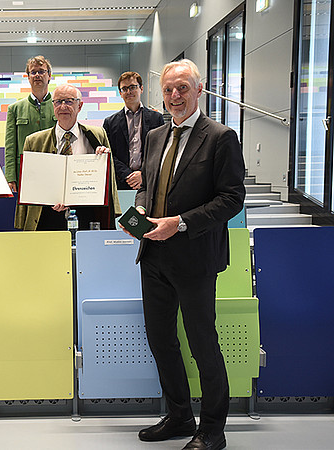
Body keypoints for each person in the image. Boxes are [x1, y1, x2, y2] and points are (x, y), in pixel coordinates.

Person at [129, 60, 245, 450]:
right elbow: (147, 186)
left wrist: (179, 222)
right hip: (154, 256)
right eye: (168, 89)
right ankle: (179, 415)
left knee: (201, 343)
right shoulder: (156, 135)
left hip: (195, 256)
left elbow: (231, 199)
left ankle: (213, 428)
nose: (174, 96)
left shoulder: (221, 137)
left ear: (200, 90)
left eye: (182, 88)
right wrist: (142, 210)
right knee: (161, 340)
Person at [15, 84, 121, 231]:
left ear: (80, 105)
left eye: (69, 101)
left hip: (86, 212)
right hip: (47, 214)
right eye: (58, 102)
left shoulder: (97, 135)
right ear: (53, 106)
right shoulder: (34, 141)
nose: (63, 106)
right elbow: (30, 184)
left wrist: (103, 161)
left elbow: (109, 180)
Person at [103, 71, 164, 190]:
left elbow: (160, 150)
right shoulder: (110, 122)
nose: (129, 92)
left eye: (132, 87)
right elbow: (109, 154)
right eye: (124, 89)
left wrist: (142, 173)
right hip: (121, 182)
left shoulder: (156, 118)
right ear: (120, 93)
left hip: (149, 180)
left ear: (141, 88)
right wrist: (127, 175)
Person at [4, 55, 56, 192]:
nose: (37, 75)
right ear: (28, 77)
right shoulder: (15, 109)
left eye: (41, 71)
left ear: (49, 76)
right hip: (25, 171)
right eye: (33, 72)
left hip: (55, 168)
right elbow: (10, 146)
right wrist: (10, 177)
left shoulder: (58, 106)